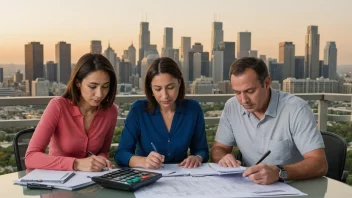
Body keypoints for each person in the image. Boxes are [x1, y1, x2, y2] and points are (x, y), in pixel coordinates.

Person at [211, 57, 328, 184]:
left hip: (294, 187)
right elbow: (218, 148)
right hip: (251, 187)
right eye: (237, 93)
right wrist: (224, 157)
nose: (244, 100)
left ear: (266, 83)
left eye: (250, 91)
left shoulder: (296, 109)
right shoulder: (232, 106)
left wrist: (279, 172)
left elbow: (320, 164)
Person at [25, 53, 118, 172]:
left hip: (92, 183)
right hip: (58, 182)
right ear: (78, 83)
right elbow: (31, 157)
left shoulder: (111, 111)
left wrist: (101, 159)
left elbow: (103, 151)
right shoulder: (58, 106)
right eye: (92, 86)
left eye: (105, 86)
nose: (99, 94)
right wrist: (76, 164)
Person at [115, 57, 209, 169]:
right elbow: (121, 154)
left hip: (182, 175)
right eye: (158, 89)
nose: (165, 96)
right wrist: (143, 161)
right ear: (151, 89)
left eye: (170, 87)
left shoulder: (193, 109)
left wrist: (197, 157)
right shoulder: (138, 109)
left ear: (179, 83)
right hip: (146, 175)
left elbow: (201, 150)